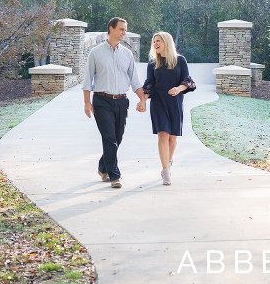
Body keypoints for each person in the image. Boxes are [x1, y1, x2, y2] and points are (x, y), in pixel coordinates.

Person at [83, 17, 146, 189]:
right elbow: (88, 80)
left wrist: (142, 99)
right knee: (109, 139)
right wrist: (87, 103)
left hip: (121, 102)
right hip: (102, 101)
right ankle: (114, 175)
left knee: (117, 138)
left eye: (125, 30)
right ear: (110, 29)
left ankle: (103, 166)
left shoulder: (127, 54)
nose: (124, 33)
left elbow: (135, 80)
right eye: (121, 29)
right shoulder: (95, 52)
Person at [142, 31, 196, 186]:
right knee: (163, 135)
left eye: (158, 40)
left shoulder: (180, 60)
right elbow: (149, 84)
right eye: (154, 41)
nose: (155, 43)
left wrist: (178, 89)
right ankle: (166, 171)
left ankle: (168, 161)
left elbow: (187, 81)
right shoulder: (153, 63)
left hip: (175, 103)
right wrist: (143, 101)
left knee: (172, 138)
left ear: (166, 42)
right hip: (158, 103)